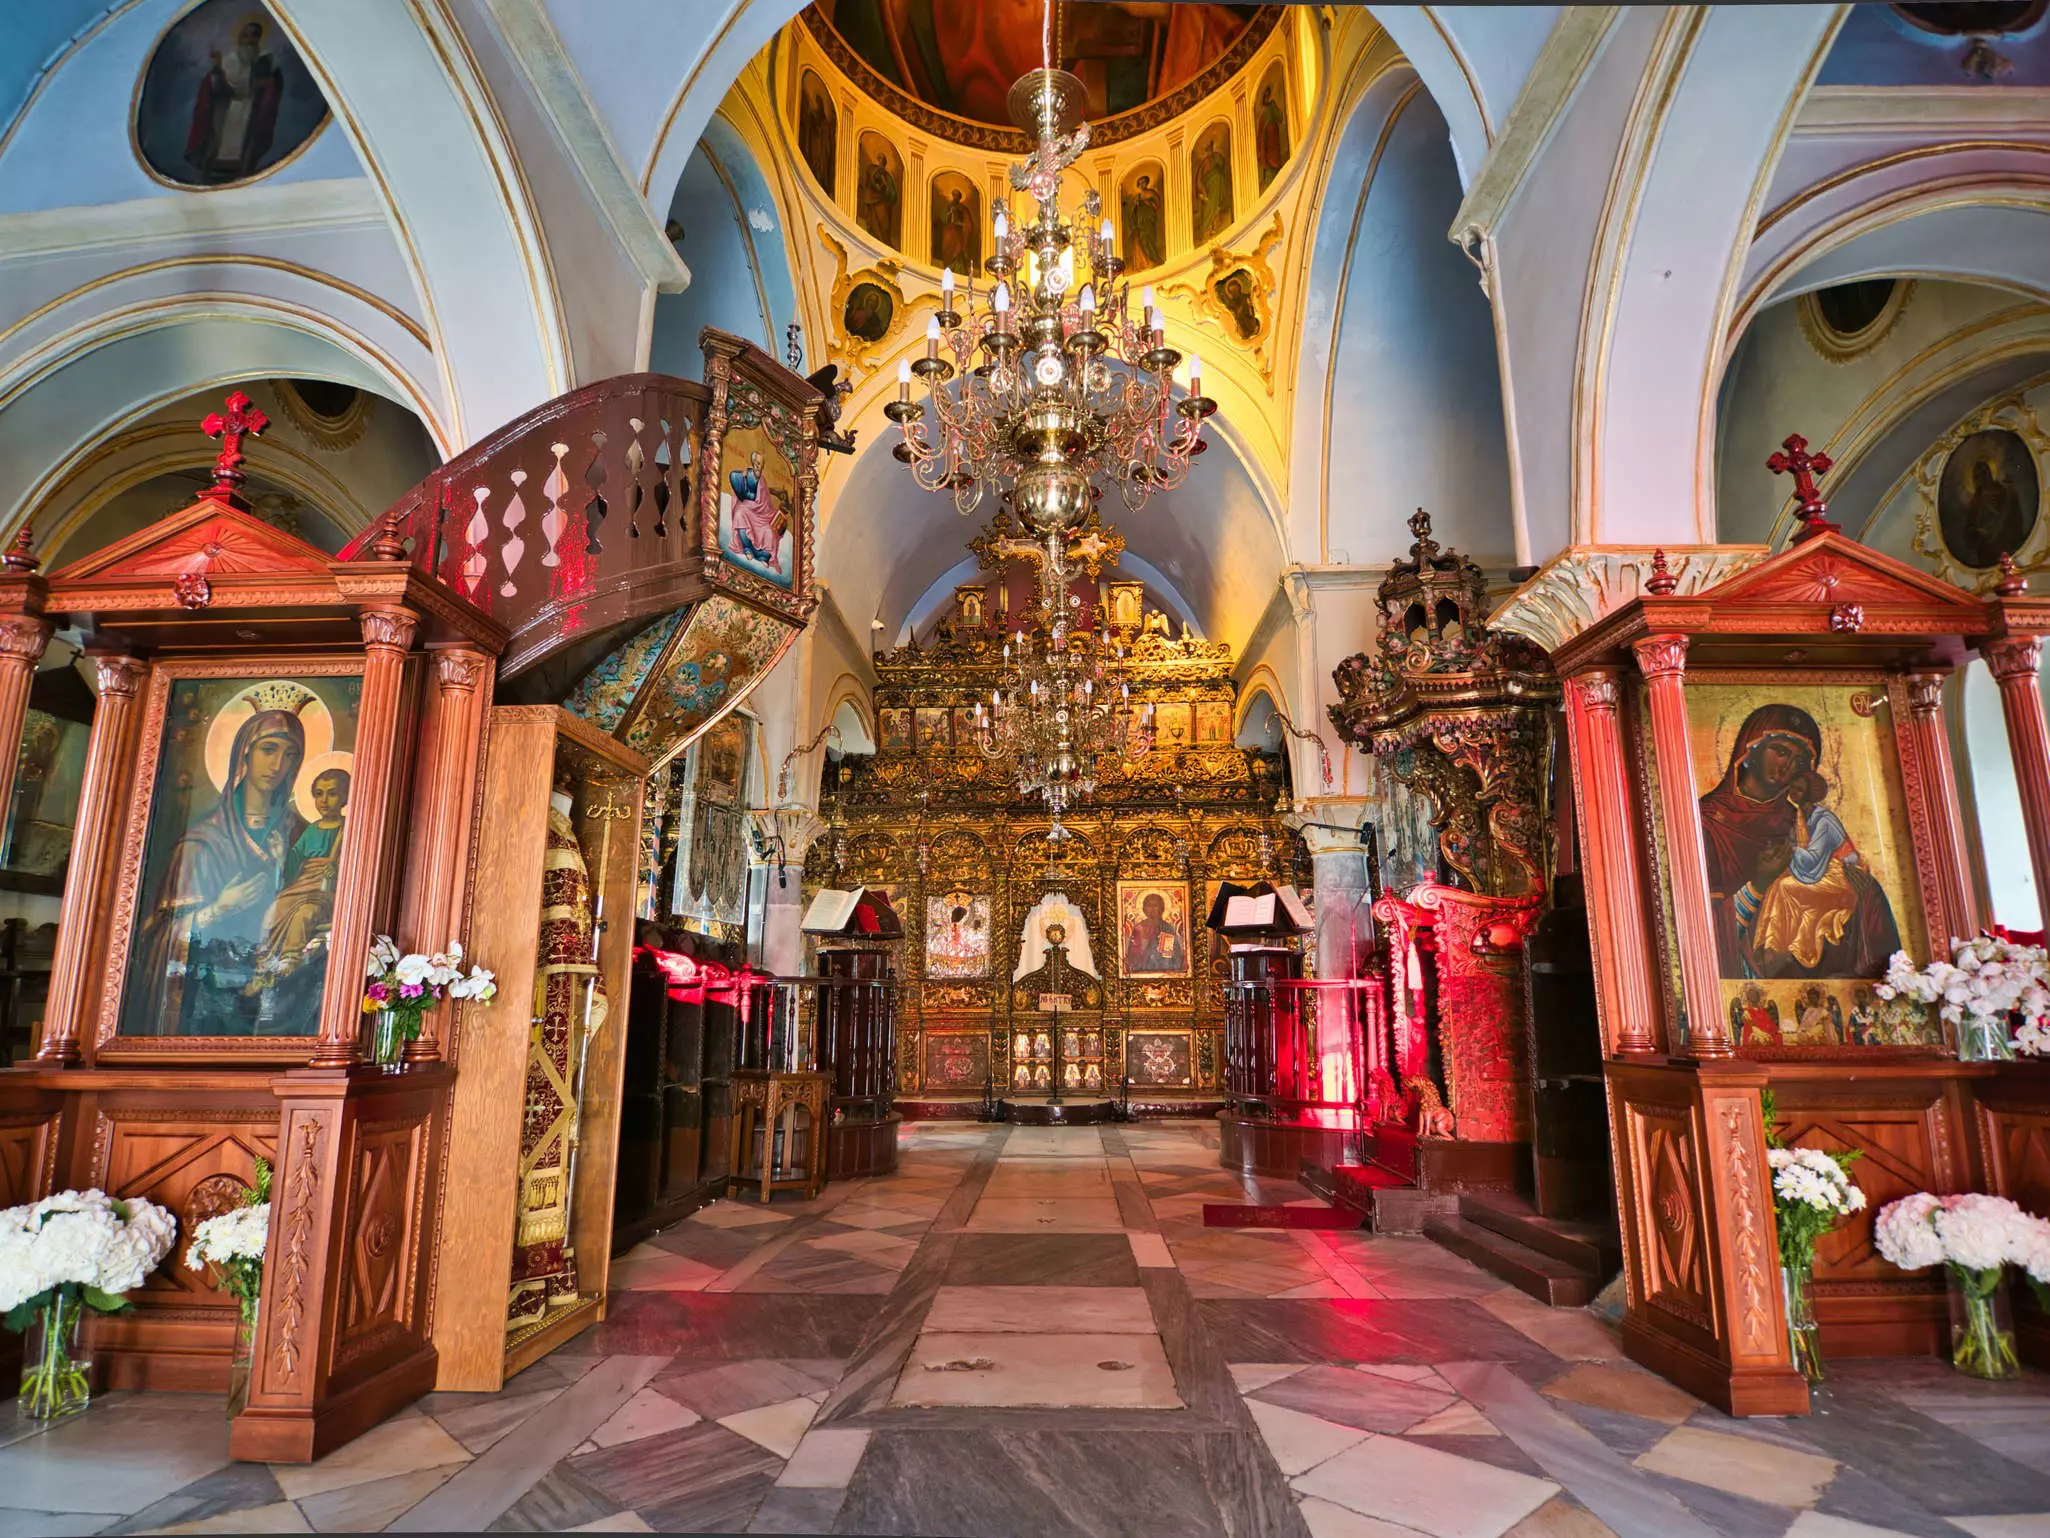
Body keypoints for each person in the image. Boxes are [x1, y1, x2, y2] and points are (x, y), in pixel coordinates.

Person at [128, 703, 309, 1033]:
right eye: (268, 750)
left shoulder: (300, 834)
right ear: (244, 753)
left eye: (290, 755)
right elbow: (160, 937)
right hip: (211, 997)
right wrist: (219, 909)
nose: (278, 765)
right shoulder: (201, 842)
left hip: (279, 993)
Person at [1698, 703, 1901, 979]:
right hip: (1745, 976)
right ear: (1750, 751)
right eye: (1780, 751)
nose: (1788, 766)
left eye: (1800, 761)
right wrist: (1758, 885)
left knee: (1867, 890)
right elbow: (1693, 927)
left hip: (1816, 963)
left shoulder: (1804, 820)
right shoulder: (1706, 822)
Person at [246, 767, 350, 994]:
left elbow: (357, 864)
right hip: (301, 885)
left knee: (305, 914)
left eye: (332, 793)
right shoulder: (312, 830)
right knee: (272, 912)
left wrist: (340, 869)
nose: (324, 800)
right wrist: (282, 855)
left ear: (345, 797)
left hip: (325, 891)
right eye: (319, 794)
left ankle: (289, 962)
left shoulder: (349, 829)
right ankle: (263, 967)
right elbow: (293, 866)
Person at [186, 19, 285, 184]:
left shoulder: (266, 60)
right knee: (217, 148)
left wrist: (264, 86)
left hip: (252, 112)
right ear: (239, 38)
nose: (248, 40)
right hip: (226, 113)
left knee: (246, 152)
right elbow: (216, 88)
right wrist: (217, 69)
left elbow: (270, 87)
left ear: (259, 39)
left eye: (253, 36)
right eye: (245, 36)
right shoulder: (228, 61)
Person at [727, 451, 783, 567]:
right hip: (747, 508)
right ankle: (747, 549)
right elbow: (735, 481)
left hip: (762, 513)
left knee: (769, 532)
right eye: (757, 463)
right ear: (753, 463)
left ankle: (763, 557)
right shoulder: (745, 475)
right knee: (739, 513)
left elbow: (765, 502)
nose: (759, 467)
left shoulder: (762, 480)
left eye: (761, 465)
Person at [1124, 891, 1184, 973]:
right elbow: (1132, 954)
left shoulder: (1167, 928)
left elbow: (1174, 955)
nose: (1152, 909)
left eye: (1155, 906)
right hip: (1142, 971)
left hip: (1163, 971)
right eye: (1149, 906)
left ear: (1161, 908)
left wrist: (1170, 953)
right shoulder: (1138, 928)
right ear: (1144, 909)